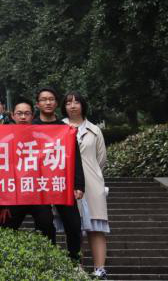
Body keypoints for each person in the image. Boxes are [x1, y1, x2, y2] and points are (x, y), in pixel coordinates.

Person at [34, 87, 85, 264]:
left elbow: (75, 158)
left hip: (62, 182)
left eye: (51, 99)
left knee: (74, 224)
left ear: (56, 103)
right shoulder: (30, 127)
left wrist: (79, 185)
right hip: (39, 183)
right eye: (43, 99)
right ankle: (50, 262)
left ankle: (74, 261)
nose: (47, 102)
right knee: (44, 223)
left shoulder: (66, 129)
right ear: (37, 104)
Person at [63, 91, 109, 280]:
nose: (73, 106)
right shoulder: (59, 128)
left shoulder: (94, 130)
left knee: (96, 227)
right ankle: (77, 269)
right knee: (73, 227)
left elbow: (101, 159)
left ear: (83, 105)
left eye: (76, 102)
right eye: (68, 103)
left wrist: (92, 174)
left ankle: (100, 269)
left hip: (92, 184)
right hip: (67, 183)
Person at [4, 97, 56, 238]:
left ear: (32, 116)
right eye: (19, 113)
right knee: (5, 230)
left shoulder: (41, 136)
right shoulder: (4, 138)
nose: (23, 117)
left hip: (38, 192)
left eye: (27, 113)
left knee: (47, 226)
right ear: (12, 115)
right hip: (14, 193)